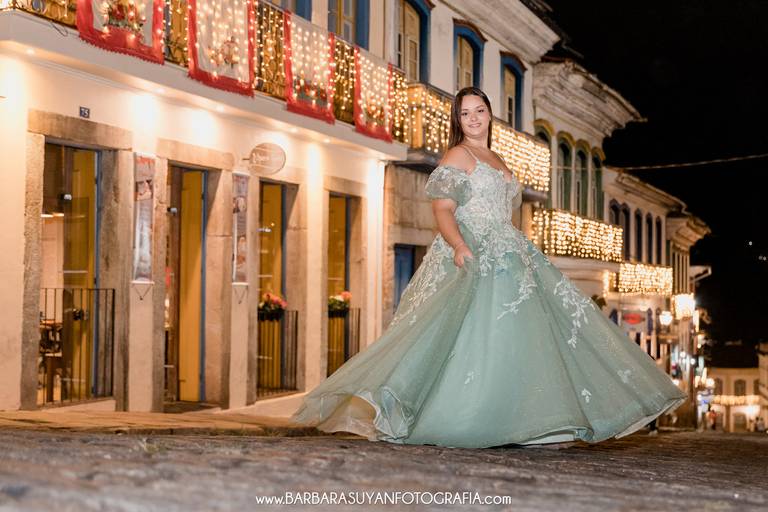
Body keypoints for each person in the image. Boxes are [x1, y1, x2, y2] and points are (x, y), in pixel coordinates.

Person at [290, 86, 687, 449]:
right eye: (465, 113)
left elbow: (503, 211)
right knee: (473, 336)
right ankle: (469, 414)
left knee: (529, 334)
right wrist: (460, 245)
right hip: (475, 250)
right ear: (457, 120)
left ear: (490, 114)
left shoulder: (496, 158)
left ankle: (528, 417)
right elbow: (443, 210)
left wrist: (515, 248)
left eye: (479, 111)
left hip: (510, 251)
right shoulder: (457, 155)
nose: (474, 119)